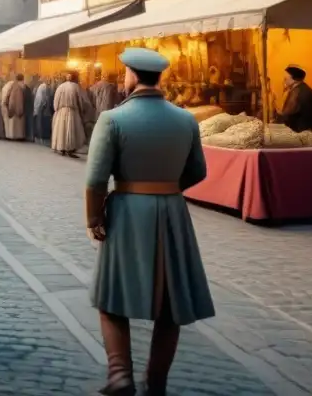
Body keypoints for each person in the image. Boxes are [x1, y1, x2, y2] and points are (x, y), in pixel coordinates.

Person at [85, 48, 215, 396]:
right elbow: (199, 171)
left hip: (127, 210)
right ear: (160, 77)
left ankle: (120, 375)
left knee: (111, 296)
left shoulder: (113, 118)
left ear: (129, 75)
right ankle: (156, 383)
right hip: (172, 212)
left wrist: (94, 217)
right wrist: (168, 188)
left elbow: (96, 179)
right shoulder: (185, 119)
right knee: (170, 304)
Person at [52, 72, 89, 157]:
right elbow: (80, 99)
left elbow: (56, 100)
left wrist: (56, 109)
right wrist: (81, 109)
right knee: (71, 130)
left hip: (61, 111)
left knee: (62, 130)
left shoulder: (60, 87)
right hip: (72, 111)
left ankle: (62, 148)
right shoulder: (75, 86)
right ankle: (70, 149)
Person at [276, 65, 312, 132]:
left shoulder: (297, 92)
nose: (284, 80)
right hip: (305, 132)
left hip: (303, 135)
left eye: (286, 78)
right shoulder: (302, 88)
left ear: (294, 80)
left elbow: (287, 117)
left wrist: (274, 112)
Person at [2, 74, 29, 141]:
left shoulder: (12, 85)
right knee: (17, 125)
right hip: (16, 109)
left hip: (12, 108)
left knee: (13, 125)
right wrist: (19, 110)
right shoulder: (18, 87)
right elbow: (17, 99)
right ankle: (17, 137)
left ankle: (12, 136)